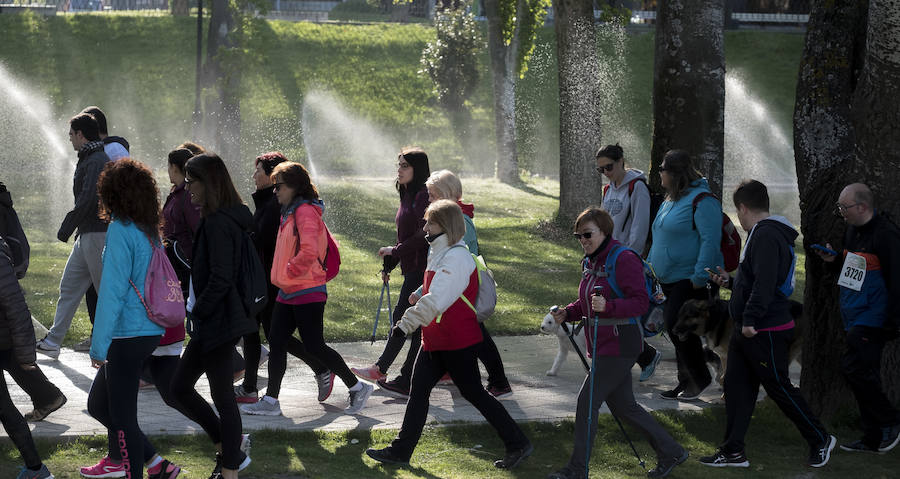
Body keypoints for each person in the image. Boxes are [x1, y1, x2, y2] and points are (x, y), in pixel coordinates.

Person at [365, 200, 532, 469]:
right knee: (419, 392)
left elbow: (437, 300)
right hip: (435, 338)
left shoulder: (457, 257)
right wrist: (419, 292)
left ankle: (518, 443)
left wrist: (404, 325)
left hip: (456, 341)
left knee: (475, 393)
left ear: (446, 226)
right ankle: (400, 451)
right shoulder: (441, 252)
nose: (425, 226)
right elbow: (436, 287)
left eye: (430, 222)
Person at [545, 207, 688, 479]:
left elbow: (639, 302)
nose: (583, 240)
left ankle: (576, 470)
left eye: (588, 234)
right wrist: (569, 312)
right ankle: (672, 451)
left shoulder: (623, 259)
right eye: (579, 236)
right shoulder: (591, 261)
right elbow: (588, 300)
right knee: (624, 407)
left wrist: (608, 306)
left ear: (605, 232)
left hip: (622, 342)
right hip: (603, 343)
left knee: (586, 403)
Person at [702, 180, 835, 468]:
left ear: (743, 207)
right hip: (746, 330)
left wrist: (750, 320)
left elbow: (765, 285)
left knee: (779, 387)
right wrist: (731, 282)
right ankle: (733, 451)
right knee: (738, 389)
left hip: (763, 330)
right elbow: (757, 282)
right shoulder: (763, 234)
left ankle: (820, 438)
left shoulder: (766, 236)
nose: (738, 219)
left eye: (737, 213)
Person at [241, 161, 373, 416]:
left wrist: (290, 270)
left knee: (314, 346)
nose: (275, 190)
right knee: (277, 342)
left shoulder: (304, 211)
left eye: (278, 186)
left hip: (307, 291)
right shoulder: (290, 210)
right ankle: (271, 401)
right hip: (288, 291)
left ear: (292, 186)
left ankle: (357, 387)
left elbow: (310, 250)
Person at [81, 158, 178, 479]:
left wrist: (98, 346)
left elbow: (111, 294)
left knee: (122, 418)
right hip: (146, 332)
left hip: (127, 336)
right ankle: (156, 464)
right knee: (99, 405)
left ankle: (138, 471)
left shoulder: (121, 231)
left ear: (112, 193)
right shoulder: (145, 229)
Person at [170, 153, 256, 478]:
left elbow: (221, 276)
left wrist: (197, 310)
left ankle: (230, 468)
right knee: (179, 388)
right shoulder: (221, 218)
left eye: (192, 183)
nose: (188, 189)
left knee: (222, 398)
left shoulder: (219, 223)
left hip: (218, 321)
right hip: (216, 320)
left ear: (209, 183)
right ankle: (228, 448)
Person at [234, 152, 333, 405]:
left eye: (258, 170)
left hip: (276, 283)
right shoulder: (270, 203)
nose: (253, 175)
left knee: (278, 336)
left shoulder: (282, 206)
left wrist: (286, 271)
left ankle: (323, 369)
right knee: (254, 332)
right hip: (262, 280)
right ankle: (251, 387)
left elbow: (295, 248)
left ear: (272, 175)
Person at [407, 169, 513, 398]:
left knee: (477, 336)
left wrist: (421, 291)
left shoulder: (460, 221)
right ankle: (480, 380)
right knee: (474, 335)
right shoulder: (449, 219)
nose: (429, 200)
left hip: (462, 290)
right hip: (453, 288)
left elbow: (461, 260)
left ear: (446, 194)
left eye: (433, 195)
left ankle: (495, 381)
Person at [814, 183, 900, 453]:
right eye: (840, 207)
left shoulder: (886, 235)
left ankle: (890, 422)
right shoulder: (852, 231)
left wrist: (891, 321)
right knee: (862, 372)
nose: (841, 212)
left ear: (862, 207)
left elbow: (897, 281)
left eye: (844, 207)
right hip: (853, 314)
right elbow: (854, 267)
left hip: (874, 317)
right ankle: (873, 436)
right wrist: (834, 260)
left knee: (854, 368)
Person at [351, 147, 431, 397]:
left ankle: (381, 368)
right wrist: (392, 261)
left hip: (422, 268)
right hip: (412, 267)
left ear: (417, 169)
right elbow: (406, 236)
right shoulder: (407, 194)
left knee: (402, 318)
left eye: (405, 165)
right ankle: (407, 380)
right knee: (417, 326)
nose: (399, 169)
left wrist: (395, 252)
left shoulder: (422, 196)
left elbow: (423, 236)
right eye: (399, 164)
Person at [647, 149, 722, 401]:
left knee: (677, 326)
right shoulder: (672, 198)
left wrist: (700, 276)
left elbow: (711, 241)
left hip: (689, 278)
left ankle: (699, 379)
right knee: (677, 329)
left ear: (674, 173)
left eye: (662, 169)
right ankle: (685, 380)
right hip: (666, 278)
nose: (659, 173)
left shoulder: (703, 201)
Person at [36, 113, 110, 359]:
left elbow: (89, 199)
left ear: (80, 134)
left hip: (97, 234)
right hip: (87, 234)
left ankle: (118, 346)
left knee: (105, 292)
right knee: (69, 286)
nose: (69, 139)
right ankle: (53, 342)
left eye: (71, 134)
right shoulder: (90, 158)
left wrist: (67, 226)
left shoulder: (96, 160)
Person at [0, 181, 66, 422]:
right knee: (9, 351)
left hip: (5, 285)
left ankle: (47, 396)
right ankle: (47, 396)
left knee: (11, 350)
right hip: (7, 283)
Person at [597, 144, 662, 382]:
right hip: (606, 258)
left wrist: (628, 259)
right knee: (609, 312)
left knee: (623, 313)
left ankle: (644, 356)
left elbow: (639, 228)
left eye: (609, 167)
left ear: (621, 161)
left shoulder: (637, 188)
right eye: (601, 169)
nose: (606, 172)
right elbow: (602, 225)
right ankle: (641, 356)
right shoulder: (608, 189)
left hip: (625, 260)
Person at [0, 237, 54, 479]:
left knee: (4, 408)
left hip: (5, 341)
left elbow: (15, 306)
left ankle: (36, 469)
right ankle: (35, 469)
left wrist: (25, 354)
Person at [78, 106, 130, 353]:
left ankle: (112, 336)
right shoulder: (93, 154)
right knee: (89, 285)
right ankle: (97, 332)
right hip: (93, 226)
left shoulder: (113, 150)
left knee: (104, 284)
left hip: (107, 226)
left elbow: (126, 183)